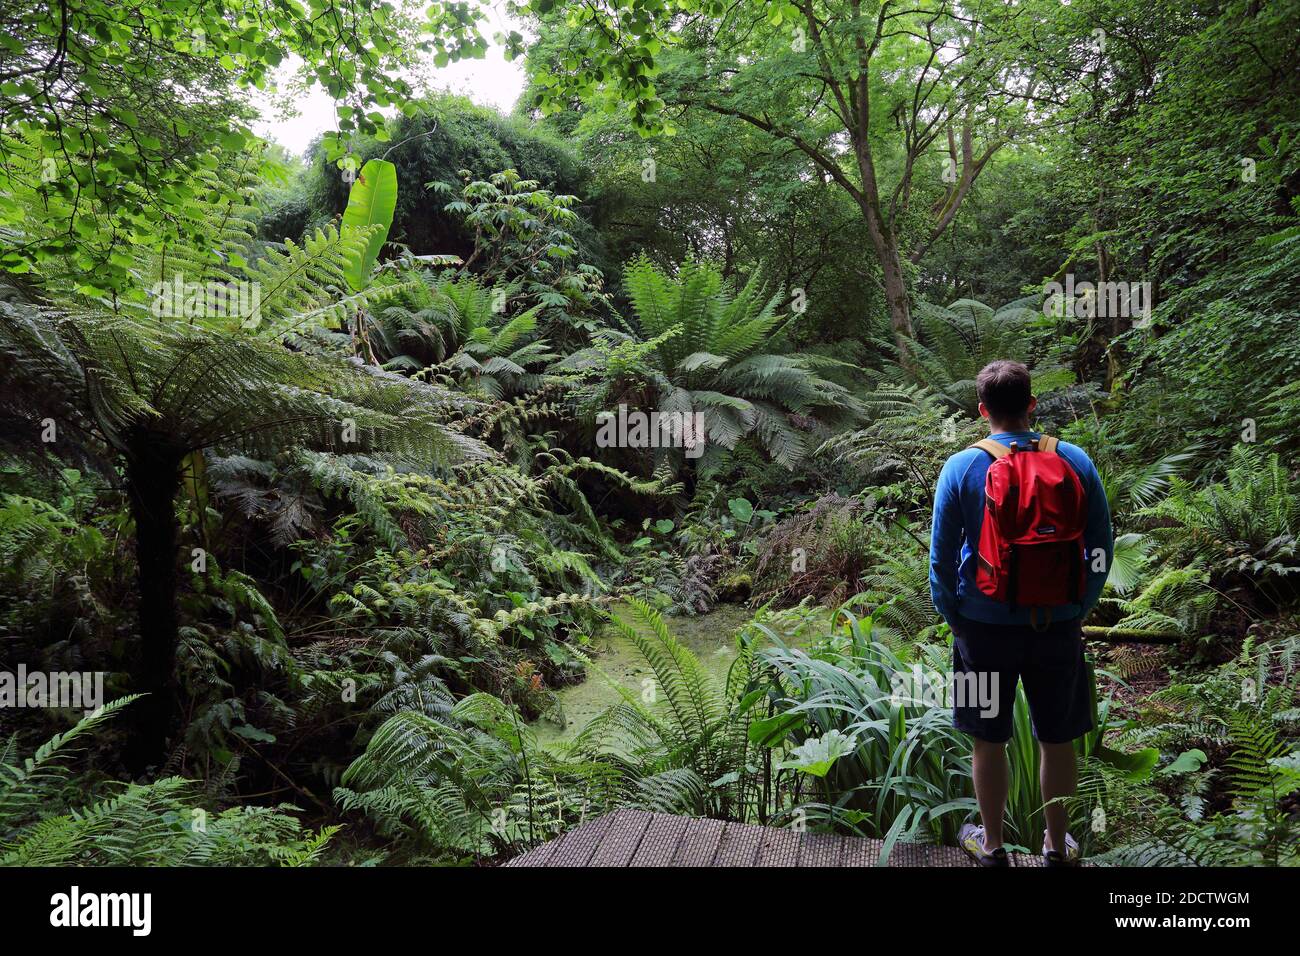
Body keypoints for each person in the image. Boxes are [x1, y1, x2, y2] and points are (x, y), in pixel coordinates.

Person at [929, 360, 1113, 867]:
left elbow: (940, 562)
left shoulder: (961, 467)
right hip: (1058, 625)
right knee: (1058, 738)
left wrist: (956, 620)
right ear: (1033, 405)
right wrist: (1080, 605)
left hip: (981, 629)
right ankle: (1056, 846)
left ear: (982, 409)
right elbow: (1100, 547)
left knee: (987, 741)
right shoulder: (1074, 460)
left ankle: (992, 848)